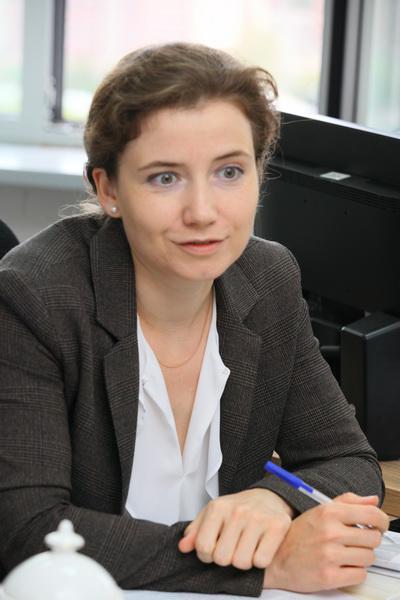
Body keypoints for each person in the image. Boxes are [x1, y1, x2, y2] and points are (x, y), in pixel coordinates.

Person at [0, 43, 388, 595]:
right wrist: (262, 566)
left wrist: (273, 499)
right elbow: (28, 531)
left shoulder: (267, 278)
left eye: (230, 171)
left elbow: (347, 459)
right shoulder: (34, 297)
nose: (203, 212)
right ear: (108, 189)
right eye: (165, 178)